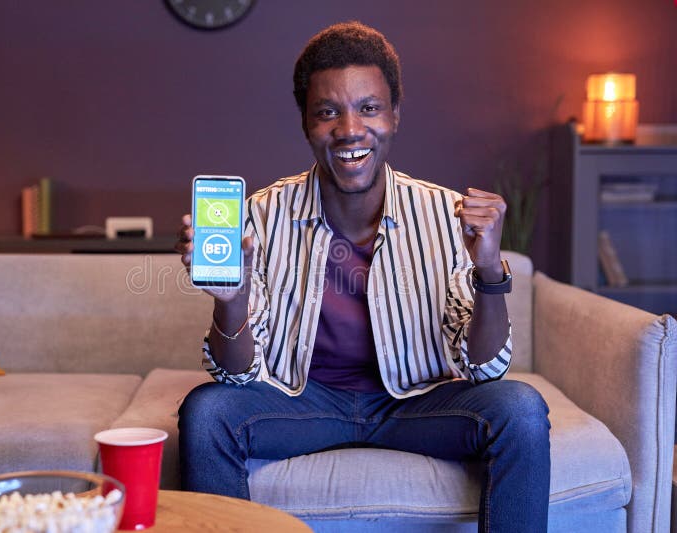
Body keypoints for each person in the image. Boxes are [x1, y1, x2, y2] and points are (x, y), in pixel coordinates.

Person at [174, 21, 550, 533]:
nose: (350, 129)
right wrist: (231, 300)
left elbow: (484, 370)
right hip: (303, 404)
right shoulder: (260, 216)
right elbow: (235, 377)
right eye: (328, 112)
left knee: (521, 409)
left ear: (394, 115)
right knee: (207, 411)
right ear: (306, 123)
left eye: (369, 108)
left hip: (416, 404)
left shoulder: (444, 212)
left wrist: (489, 270)